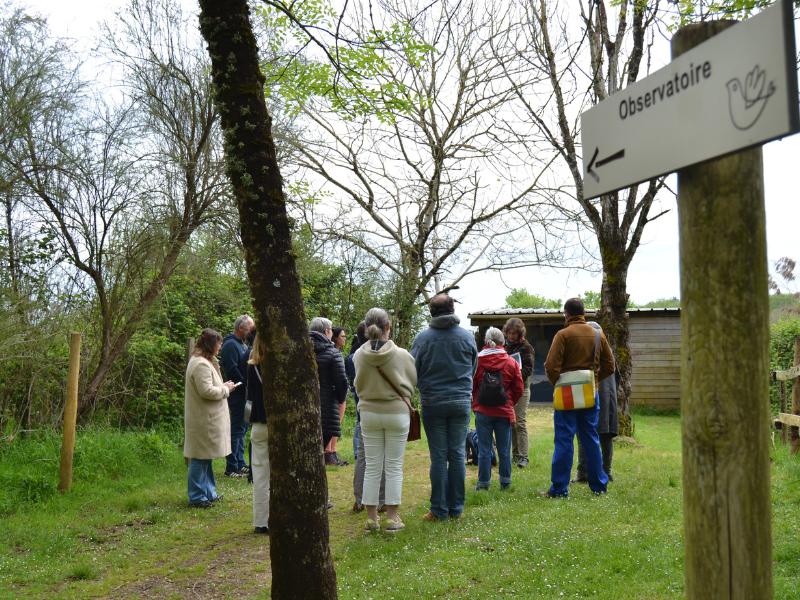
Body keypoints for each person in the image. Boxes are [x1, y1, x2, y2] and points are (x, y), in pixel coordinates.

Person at [411, 293, 477, 521]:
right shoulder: (467, 337)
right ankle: (456, 508)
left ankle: (439, 510)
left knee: (439, 457)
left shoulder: (422, 339)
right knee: (458, 453)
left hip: (433, 402)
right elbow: (473, 367)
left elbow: (413, 370)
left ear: (431, 312)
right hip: (460, 401)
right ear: (452, 309)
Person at [543, 298, 614, 497]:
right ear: (583, 313)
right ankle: (599, 486)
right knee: (591, 438)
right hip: (590, 393)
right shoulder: (598, 334)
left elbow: (550, 366)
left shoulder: (563, 334)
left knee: (564, 440)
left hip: (566, 395)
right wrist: (594, 380)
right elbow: (610, 366)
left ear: (566, 314)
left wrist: (559, 382)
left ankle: (559, 489)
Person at [354, 308, 417, 532]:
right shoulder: (402, 354)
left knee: (372, 466)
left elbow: (357, 384)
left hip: (369, 412)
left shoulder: (358, 355)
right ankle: (392, 517)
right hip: (396, 413)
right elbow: (412, 380)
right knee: (393, 467)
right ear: (387, 327)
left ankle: (371, 518)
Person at [184, 329, 237, 508]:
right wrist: (225, 390)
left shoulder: (203, 362)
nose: (220, 347)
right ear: (210, 345)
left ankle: (209, 493)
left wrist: (223, 385)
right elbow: (206, 391)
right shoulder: (200, 364)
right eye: (218, 344)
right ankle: (197, 496)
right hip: (203, 419)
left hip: (206, 418)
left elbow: (209, 386)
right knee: (199, 457)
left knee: (205, 457)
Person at [473, 327, 523, 490]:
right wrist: (509, 402)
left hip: (483, 411)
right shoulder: (511, 362)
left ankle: (483, 484)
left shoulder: (477, 361)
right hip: (503, 412)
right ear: (502, 342)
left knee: (484, 449)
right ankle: (506, 482)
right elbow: (519, 388)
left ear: (486, 341)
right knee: (504, 450)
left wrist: (476, 403)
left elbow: (472, 385)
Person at [347, 322, 386, 512]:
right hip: (381, 408)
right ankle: (382, 500)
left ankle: (359, 499)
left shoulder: (352, 358)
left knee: (363, 457)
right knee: (382, 457)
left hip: (363, 408)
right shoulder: (386, 355)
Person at [574, 321, 619, 483]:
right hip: (608, 399)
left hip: (593, 397)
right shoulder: (609, 351)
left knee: (585, 434)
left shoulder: (585, 351)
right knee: (605, 435)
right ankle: (605, 472)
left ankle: (584, 473)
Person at [309, 317, 348, 465]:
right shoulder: (333, 353)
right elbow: (342, 382)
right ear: (327, 331)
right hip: (326, 405)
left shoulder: (299, 349)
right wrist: (340, 398)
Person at [220, 314, 254, 478]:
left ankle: (240, 463)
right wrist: (245, 382)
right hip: (237, 393)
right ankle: (232, 466)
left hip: (245, 393)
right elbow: (232, 370)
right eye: (250, 327)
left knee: (242, 428)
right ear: (241, 328)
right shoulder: (230, 345)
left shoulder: (242, 344)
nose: (252, 331)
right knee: (236, 429)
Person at [503, 318, 535, 468]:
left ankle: (524, 457)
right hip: (509, 389)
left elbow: (528, 369)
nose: (511, 336)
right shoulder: (505, 347)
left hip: (522, 389)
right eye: (509, 333)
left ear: (519, 333)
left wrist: (514, 376)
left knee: (520, 422)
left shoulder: (526, 347)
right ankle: (515, 456)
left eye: (514, 333)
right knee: (512, 422)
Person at [247, 333, 270, 534]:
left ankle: (261, 520)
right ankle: (274, 518)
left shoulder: (251, 366)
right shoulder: (278, 368)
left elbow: (249, 398)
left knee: (261, 475)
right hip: (275, 424)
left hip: (258, 424)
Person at [324, 326, 349, 466]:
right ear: (335, 337)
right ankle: (328, 452)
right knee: (333, 424)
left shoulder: (338, 352)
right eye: (342, 336)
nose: (344, 339)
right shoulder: (332, 353)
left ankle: (333, 450)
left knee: (337, 424)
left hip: (340, 392)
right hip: (335, 393)